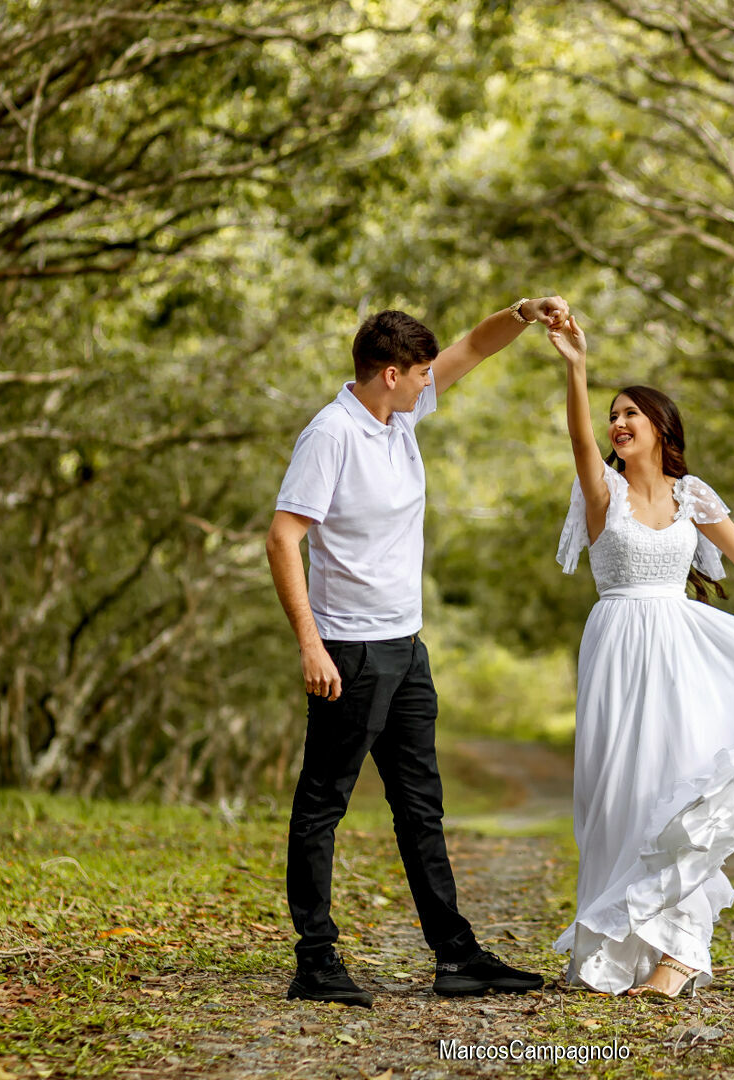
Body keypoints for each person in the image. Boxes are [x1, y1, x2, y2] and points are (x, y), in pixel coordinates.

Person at [266, 298, 568, 1007]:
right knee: (322, 805)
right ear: (390, 373)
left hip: (405, 647)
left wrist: (524, 312)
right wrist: (312, 647)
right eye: (423, 373)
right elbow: (283, 538)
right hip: (350, 652)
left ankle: (455, 957)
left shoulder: (397, 414)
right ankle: (315, 960)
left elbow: (475, 347)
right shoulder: (331, 434)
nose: (435, 381)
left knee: (420, 808)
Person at [546, 313, 734, 998]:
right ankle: (614, 948)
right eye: (613, 415)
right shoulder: (600, 492)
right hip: (616, 645)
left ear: (660, 429)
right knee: (613, 797)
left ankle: (678, 957)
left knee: (673, 792)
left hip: (680, 652)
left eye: (630, 414)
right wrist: (575, 367)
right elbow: (578, 438)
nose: (617, 424)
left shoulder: (691, 495)